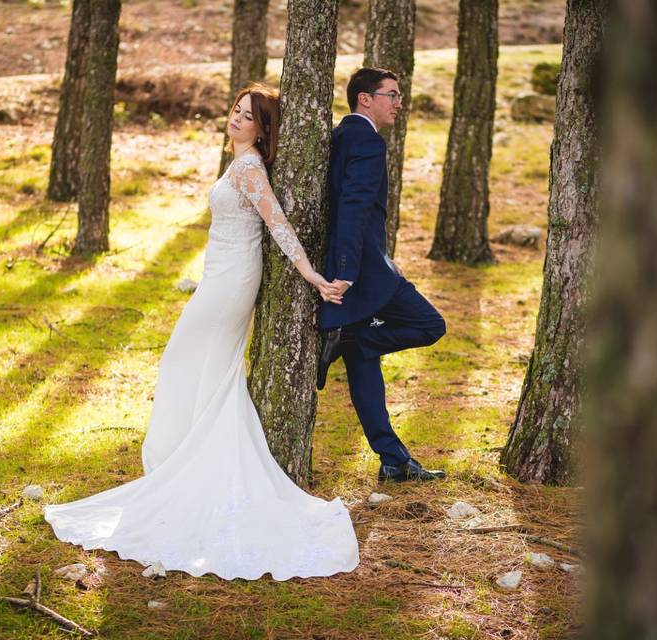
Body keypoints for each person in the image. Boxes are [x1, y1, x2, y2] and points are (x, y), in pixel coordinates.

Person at [44, 85, 359, 581]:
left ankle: (191, 467)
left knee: (183, 361)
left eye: (248, 116)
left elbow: (277, 225)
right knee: (204, 370)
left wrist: (312, 276)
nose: (236, 119)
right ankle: (184, 463)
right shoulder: (238, 164)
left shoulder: (252, 168)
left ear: (262, 128)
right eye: (235, 110)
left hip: (232, 283)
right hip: (219, 276)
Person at [317, 68, 448, 483]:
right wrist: (347, 271)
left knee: (363, 360)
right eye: (391, 95)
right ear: (365, 99)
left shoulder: (342, 135)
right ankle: (357, 338)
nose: (398, 103)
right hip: (362, 273)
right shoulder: (367, 140)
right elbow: (353, 207)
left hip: (364, 264)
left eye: (399, 95)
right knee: (430, 324)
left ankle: (393, 460)